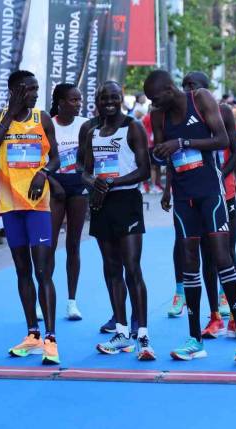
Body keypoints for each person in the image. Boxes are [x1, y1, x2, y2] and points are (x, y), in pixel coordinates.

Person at [144, 69, 236, 362]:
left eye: (156, 98)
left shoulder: (201, 98)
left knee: (222, 258)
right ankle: (194, 339)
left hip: (210, 192)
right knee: (190, 262)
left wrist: (183, 143)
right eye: (151, 101)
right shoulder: (159, 115)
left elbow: (221, 141)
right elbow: (161, 153)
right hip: (183, 196)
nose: (154, 105)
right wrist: (158, 156)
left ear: (169, 89)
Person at [0, 70, 61, 365]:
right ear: (15, 91)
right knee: (22, 271)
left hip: (37, 204)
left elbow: (55, 157)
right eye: (29, 90)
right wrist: (10, 115)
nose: (36, 94)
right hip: (10, 204)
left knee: (43, 271)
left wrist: (44, 172)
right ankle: (32, 333)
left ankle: (51, 339)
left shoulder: (42, 119)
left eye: (37, 89)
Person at [82, 81, 155, 361]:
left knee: (132, 267)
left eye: (114, 97)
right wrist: (93, 183)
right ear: (97, 101)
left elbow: (144, 170)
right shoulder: (91, 130)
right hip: (102, 204)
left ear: (121, 99)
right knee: (111, 268)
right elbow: (83, 168)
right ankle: (122, 333)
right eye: (104, 98)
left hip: (126, 201)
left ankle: (144, 336)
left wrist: (111, 183)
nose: (109, 102)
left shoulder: (132, 127)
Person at [178, 71, 236, 340]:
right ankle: (214, 316)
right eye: (184, 86)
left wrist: (219, 175)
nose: (188, 90)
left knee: (227, 254)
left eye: (192, 85)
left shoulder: (223, 112)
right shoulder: (180, 116)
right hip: (197, 195)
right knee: (206, 256)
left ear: (206, 90)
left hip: (223, 194)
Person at [46, 83, 89, 321]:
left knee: (74, 244)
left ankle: (72, 302)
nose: (78, 104)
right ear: (60, 102)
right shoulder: (47, 124)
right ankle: (46, 297)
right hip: (54, 187)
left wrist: (86, 179)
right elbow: (41, 161)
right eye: (73, 100)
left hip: (77, 187)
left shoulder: (84, 124)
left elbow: (88, 157)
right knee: (49, 245)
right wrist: (54, 184)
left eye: (79, 100)